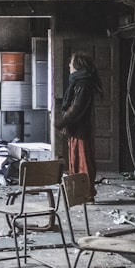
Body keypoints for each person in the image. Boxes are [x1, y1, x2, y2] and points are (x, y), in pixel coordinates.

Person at [57, 51, 103, 197]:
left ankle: (87, 194)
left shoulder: (83, 84)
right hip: (76, 129)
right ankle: (79, 193)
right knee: (76, 161)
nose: (69, 66)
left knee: (83, 163)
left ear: (77, 65)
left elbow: (77, 108)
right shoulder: (77, 82)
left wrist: (62, 122)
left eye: (71, 63)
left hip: (81, 129)